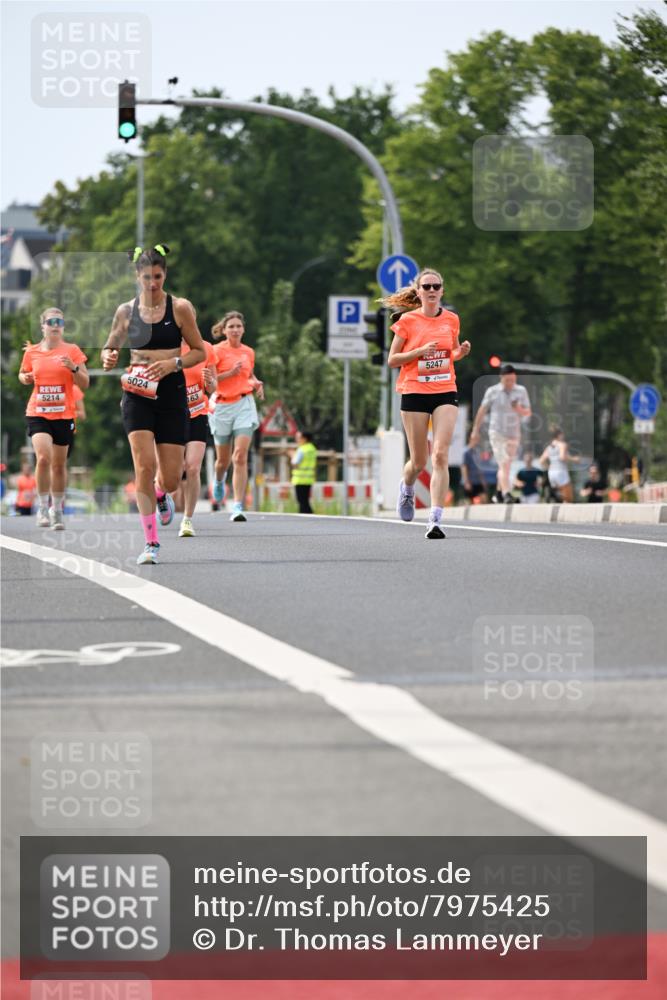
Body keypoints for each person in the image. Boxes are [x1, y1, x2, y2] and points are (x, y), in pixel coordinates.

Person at [100, 245, 206, 565]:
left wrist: (175, 362)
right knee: (143, 466)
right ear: (137, 277)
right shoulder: (126, 311)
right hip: (137, 394)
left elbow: (199, 352)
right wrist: (108, 355)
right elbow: (111, 343)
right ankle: (151, 543)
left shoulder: (180, 308)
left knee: (172, 478)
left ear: (165, 275)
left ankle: (162, 494)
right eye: (146, 277)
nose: (152, 283)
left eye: (157, 277)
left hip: (172, 392)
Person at [387, 268, 471, 539]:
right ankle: (407, 488)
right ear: (420, 292)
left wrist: (461, 352)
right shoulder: (407, 321)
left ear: (442, 291)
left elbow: (451, 353)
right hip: (414, 392)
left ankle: (435, 519)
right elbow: (392, 360)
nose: (432, 290)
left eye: (437, 286)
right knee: (419, 461)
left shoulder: (451, 320)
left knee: (440, 454)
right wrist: (419, 352)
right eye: (427, 286)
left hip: (445, 390)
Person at [18, 307, 89, 529]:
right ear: (43, 326)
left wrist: (74, 368)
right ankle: (41, 507)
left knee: (59, 465)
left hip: (63, 414)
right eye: (51, 322)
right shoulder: (32, 352)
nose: (56, 325)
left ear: (63, 326)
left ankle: (56, 509)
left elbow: (85, 383)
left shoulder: (72, 350)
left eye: (59, 321)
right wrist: (26, 378)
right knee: (43, 458)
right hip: (38, 412)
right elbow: (22, 374)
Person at [209, 311, 264, 522]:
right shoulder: (215, 351)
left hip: (244, 403)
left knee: (240, 456)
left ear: (243, 329)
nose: (235, 329)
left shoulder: (249, 352)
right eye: (231, 326)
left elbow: (249, 375)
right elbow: (211, 381)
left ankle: (238, 505)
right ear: (224, 330)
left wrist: (257, 383)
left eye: (238, 326)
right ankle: (219, 479)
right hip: (222, 406)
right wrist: (230, 373)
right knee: (222, 460)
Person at [469, 363, 531, 504]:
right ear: (501, 378)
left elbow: (528, 412)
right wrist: (475, 430)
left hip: (514, 433)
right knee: (504, 463)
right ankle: (507, 493)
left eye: (513, 380)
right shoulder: (492, 391)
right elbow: (482, 411)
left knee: (507, 464)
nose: (510, 383)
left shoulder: (521, 391)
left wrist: (518, 408)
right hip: (497, 432)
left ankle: (498, 494)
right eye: (507, 380)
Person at [178, 335, 217, 537]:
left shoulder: (206, 348)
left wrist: (209, 382)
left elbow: (212, 388)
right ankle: (161, 495)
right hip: (172, 414)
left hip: (198, 412)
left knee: (193, 467)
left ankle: (187, 519)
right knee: (172, 472)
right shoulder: (167, 347)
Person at [539, 426, 573, 503]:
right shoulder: (562, 444)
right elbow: (562, 457)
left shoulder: (549, 447)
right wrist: (574, 459)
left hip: (551, 472)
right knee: (568, 497)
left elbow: (541, 460)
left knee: (560, 496)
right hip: (561, 471)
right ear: (559, 435)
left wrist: (548, 467)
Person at [291, 430, 317, 514]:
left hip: (300, 479)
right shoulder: (312, 448)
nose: (297, 440)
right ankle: (310, 516)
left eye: (298, 438)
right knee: (305, 500)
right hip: (309, 478)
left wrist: (292, 455)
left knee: (301, 501)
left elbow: (295, 463)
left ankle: (306, 517)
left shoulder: (301, 449)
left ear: (305, 439)